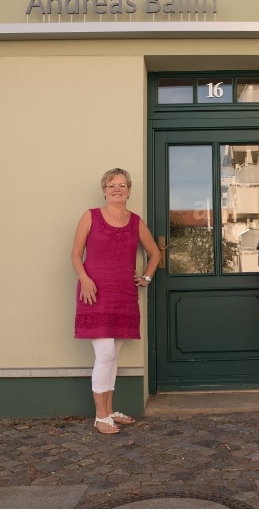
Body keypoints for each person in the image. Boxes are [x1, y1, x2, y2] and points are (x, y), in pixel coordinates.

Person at [72, 167, 161, 434]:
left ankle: (110, 410)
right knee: (105, 354)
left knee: (114, 356)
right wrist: (85, 279)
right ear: (104, 190)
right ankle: (100, 416)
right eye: (112, 185)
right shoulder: (91, 216)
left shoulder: (135, 221)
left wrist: (145, 278)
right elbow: (75, 254)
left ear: (129, 191)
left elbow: (155, 253)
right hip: (94, 293)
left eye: (122, 185)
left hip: (123, 294)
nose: (117, 189)